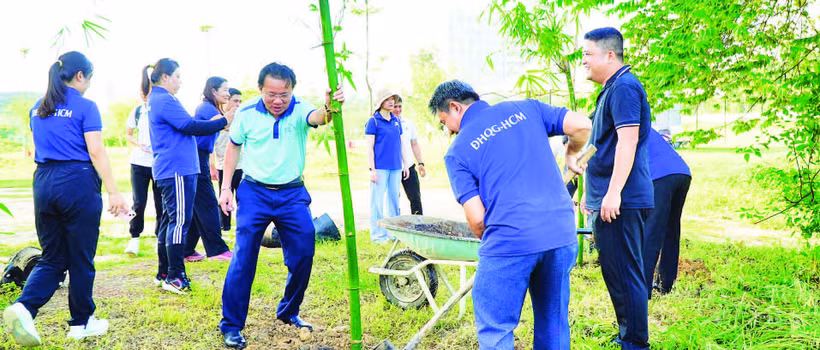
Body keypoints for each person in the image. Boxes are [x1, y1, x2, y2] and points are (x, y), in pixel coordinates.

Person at [431, 80, 591, 349]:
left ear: (455, 107)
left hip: (510, 240)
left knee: (496, 328)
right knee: (553, 322)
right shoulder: (526, 108)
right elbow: (582, 125)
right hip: (561, 234)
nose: (448, 131)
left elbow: (477, 218)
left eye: (445, 122)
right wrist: (572, 154)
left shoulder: (457, 153)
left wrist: (500, 248)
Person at [3, 51, 129, 346]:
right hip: (76, 180)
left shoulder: (38, 108)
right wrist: (114, 191)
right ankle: (81, 323)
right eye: (90, 77)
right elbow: (96, 150)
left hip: (44, 182)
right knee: (81, 257)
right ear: (80, 75)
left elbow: (37, 149)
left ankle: (24, 307)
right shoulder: (86, 106)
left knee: (54, 257)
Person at [217, 62, 344, 349]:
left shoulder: (300, 108)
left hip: (292, 192)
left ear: (292, 92)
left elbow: (319, 117)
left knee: (303, 252)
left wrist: (329, 106)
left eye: (284, 94)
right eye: (271, 94)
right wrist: (226, 188)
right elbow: (234, 145)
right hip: (254, 191)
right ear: (260, 89)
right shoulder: (247, 113)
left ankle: (288, 310)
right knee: (243, 258)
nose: (277, 101)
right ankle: (232, 325)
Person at [580, 27, 654, 350]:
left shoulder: (624, 87)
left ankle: (635, 343)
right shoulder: (611, 89)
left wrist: (613, 193)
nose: (583, 61)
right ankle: (628, 334)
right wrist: (589, 191)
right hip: (610, 198)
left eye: (588, 54)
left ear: (610, 55)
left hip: (622, 201)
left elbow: (628, 140)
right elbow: (602, 146)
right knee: (616, 272)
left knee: (627, 274)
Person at [143, 58, 234, 294]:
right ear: (165, 77)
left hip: (171, 169)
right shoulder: (164, 99)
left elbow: (188, 126)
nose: (180, 82)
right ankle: (175, 276)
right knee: (178, 222)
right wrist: (223, 121)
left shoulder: (157, 99)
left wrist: (217, 123)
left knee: (169, 222)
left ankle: (164, 272)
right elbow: (189, 126)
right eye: (178, 76)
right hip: (177, 170)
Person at [182, 77, 234, 262]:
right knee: (208, 203)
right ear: (213, 91)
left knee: (198, 206)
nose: (228, 94)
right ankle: (217, 249)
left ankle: (186, 250)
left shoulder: (213, 109)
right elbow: (225, 124)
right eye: (225, 90)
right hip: (195, 156)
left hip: (200, 156)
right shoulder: (206, 108)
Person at [643, 128, 691, 297]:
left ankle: (643, 289)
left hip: (661, 175)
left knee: (652, 231)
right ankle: (666, 285)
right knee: (671, 230)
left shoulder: (621, 127)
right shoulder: (643, 124)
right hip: (683, 172)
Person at [124, 83, 164, 256]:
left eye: (147, 91)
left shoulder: (161, 110)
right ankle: (134, 239)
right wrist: (138, 144)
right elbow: (128, 134)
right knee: (138, 203)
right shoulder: (137, 111)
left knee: (161, 204)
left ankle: (160, 240)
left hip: (159, 163)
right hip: (139, 163)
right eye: (142, 92)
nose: (144, 95)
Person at [366, 89, 408, 242]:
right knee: (377, 202)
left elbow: (401, 144)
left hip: (396, 167)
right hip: (380, 168)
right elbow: (369, 147)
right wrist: (372, 169)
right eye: (388, 99)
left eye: (393, 99)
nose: (391, 102)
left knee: (394, 201)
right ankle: (378, 236)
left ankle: (393, 234)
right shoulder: (374, 121)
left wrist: (406, 164)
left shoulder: (397, 120)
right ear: (381, 102)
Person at [214, 88, 244, 231]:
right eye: (235, 101)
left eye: (240, 101)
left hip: (242, 166)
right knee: (225, 196)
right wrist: (211, 166)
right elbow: (210, 146)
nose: (237, 104)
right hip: (222, 165)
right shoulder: (217, 120)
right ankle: (225, 227)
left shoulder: (242, 119)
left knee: (243, 198)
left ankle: (243, 225)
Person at [394, 95, 426, 215]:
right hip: (394, 167)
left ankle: (419, 224)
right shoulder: (387, 124)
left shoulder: (408, 123)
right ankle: (395, 225)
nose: (397, 109)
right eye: (395, 107)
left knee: (415, 199)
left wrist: (420, 163)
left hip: (409, 166)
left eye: (400, 106)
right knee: (394, 199)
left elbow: (414, 144)